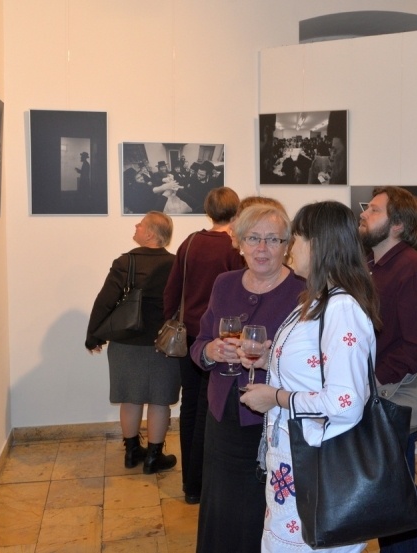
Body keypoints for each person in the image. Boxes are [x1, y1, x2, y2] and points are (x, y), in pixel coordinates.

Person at [239, 200, 381, 552]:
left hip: (318, 471)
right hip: (297, 468)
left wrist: (274, 397)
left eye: (296, 238)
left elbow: (345, 403)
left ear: (318, 244)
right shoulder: (320, 299)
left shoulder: (342, 308)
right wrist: (271, 354)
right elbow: (314, 369)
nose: (289, 248)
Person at [190, 204, 305, 553]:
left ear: (287, 246)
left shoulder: (304, 291)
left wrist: (274, 361)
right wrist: (211, 351)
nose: (262, 248)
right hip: (222, 415)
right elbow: (198, 345)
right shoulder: (224, 284)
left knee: (259, 506)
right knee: (220, 502)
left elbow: (311, 364)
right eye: (253, 238)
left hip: (272, 420)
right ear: (239, 244)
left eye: (273, 239)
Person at [359, 186, 417, 553]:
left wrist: (375, 378)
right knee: (384, 486)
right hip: (371, 396)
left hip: (390, 397)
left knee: (397, 491)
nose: (363, 213)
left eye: (373, 210)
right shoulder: (373, 264)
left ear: (396, 225)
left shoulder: (414, 270)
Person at [163, 187, 244, 505]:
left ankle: (191, 485)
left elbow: (172, 290)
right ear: (236, 212)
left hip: (189, 337)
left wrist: (169, 320)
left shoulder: (190, 242)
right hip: (219, 340)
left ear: (208, 211)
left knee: (190, 408)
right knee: (211, 409)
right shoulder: (235, 248)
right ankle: (207, 482)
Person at [84, 212, 180, 474]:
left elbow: (105, 301)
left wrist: (93, 336)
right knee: (160, 401)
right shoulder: (176, 264)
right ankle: (153, 459)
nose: (135, 226)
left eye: (140, 224)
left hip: (126, 343)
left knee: (130, 398)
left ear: (150, 233)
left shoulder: (126, 261)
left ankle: (131, 453)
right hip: (165, 344)